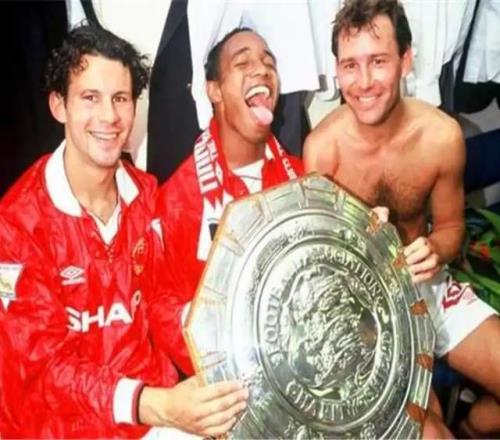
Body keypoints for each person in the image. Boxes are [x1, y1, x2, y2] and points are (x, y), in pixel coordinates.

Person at [0, 24, 247, 438]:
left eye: (120, 98)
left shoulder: (147, 194)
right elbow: (45, 369)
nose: (109, 117)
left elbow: (163, 300)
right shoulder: (17, 223)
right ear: (59, 105)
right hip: (59, 427)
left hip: (150, 416)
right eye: (90, 98)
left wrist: (224, 346)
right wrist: (156, 405)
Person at [304, 0, 500, 436]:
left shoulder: (441, 136)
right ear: (337, 71)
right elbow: (318, 269)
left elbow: (451, 230)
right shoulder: (323, 150)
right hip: (363, 312)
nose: (364, 82)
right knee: (426, 431)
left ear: (406, 60)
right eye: (350, 65)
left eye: (378, 61)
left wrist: (434, 249)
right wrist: (358, 238)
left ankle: (471, 426)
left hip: (429, 286)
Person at [155, 28, 303, 375]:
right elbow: (161, 307)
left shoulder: (303, 178)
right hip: (226, 381)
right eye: (242, 63)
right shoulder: (179, 197)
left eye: (269, 63)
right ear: (214, 90)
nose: (262, 69)